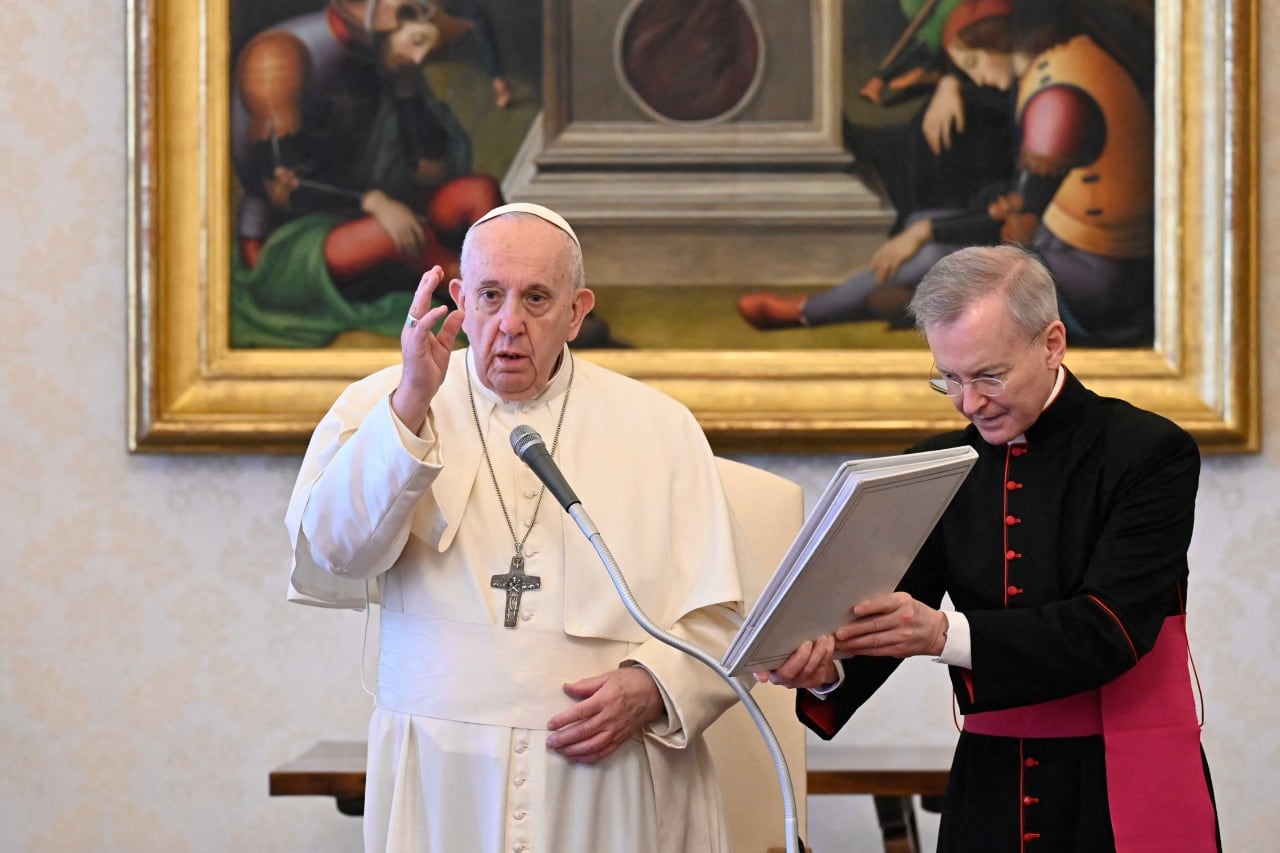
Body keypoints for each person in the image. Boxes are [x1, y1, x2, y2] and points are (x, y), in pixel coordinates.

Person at [285, 202, 752, 851]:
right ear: (458, 298)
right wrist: (411, 404)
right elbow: (333, 553)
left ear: (577, 310)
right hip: (442, 771)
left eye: (536, 298)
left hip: (609, 771)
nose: (510, 324)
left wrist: (655, 687)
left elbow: (723, 616)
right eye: (490, 295)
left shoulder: (660, 427)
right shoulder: (382, 403)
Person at [763, 245, 1220, 851]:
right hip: (991, 783)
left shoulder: (1147, 452)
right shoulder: (934, 465)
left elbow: (1112, 627)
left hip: (1120, 778)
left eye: (988, 376)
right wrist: (825, 669)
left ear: (1051, 342)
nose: (969, 403)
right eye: (948, 379)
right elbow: (887, 612)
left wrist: (940, 635)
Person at [738, 0, 1156, 348]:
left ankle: (809, 312)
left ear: (999, 40)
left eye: (972, 61)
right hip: (1065, 240)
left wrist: (928, 235)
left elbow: (1019, 226)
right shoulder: (1061, 57)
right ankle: (916, 305)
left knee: (940, 250)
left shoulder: (1057, 99)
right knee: (927, 224)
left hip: (1100, 283)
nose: (972, 76)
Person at [229, 0, 504, 348]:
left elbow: (429, 173)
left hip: (376, 216)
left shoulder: (386, 59)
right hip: (285, 242)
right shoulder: (279, 56)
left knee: (477, 191)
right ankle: (492, 313)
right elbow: (282, 186)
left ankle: (506, 282)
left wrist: (407, 95)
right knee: (395, 234)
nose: (420, 60)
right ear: (392, 17)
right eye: (418, 41)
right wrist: (373, 201)